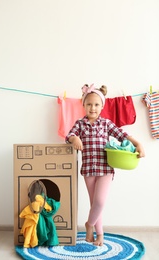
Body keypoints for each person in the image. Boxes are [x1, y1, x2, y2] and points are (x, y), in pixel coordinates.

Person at [65, 84, 145, 246]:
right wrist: (75, 139)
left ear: (102, 106)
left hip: (105, 169)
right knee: (95, 203)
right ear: (83, 105)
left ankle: (89, 224)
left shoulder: (106, 124)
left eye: (96, 104)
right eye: (89, 104)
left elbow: (122, 135)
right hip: (88, 170)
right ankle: (99, 234)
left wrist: (138, 144)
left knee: (100, 201)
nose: (92, 108)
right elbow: (69, 135)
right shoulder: (80, 124)